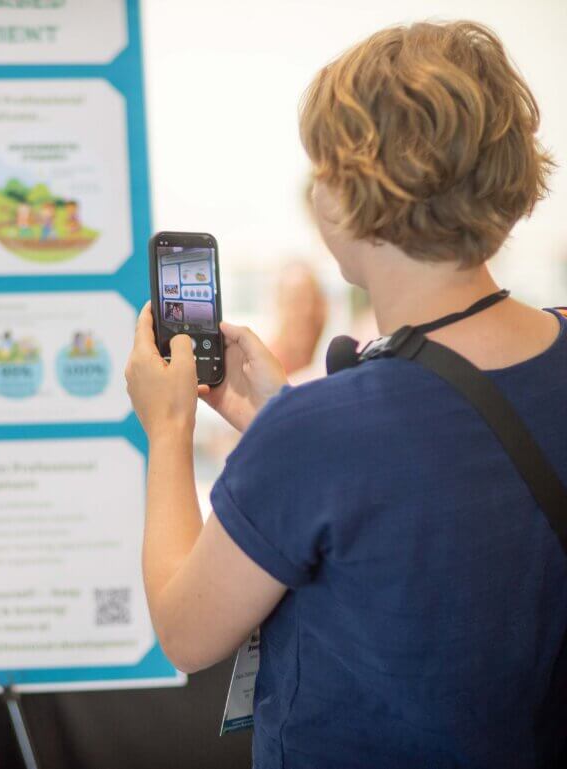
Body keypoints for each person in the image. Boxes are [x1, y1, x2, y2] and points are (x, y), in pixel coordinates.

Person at [125, 21, 565, 768]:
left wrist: (167, 430)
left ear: (350, 196)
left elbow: (184, 629)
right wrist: (281, 421)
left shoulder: (320, 435)